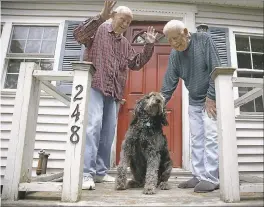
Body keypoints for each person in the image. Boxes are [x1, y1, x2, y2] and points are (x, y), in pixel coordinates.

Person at [73, 1, 158, 190]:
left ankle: (100, 173)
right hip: (95, 85)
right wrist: (101, 16)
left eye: (128, 22)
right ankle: (86, 173)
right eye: (122, 20)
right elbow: (78, 35)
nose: (125, 24)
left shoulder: (125, 43)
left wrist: (149, 46)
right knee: (93, 126)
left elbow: (136, 63)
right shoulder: (99, 29)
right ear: (113, 17)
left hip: (114, 91)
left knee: (108, 132)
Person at [161, 20, 221, 193]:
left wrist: (211, 96)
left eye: (175, 38)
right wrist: (159, 105)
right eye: (169, 40)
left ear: (185, 32)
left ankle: (211, 178)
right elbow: (168, 84)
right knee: (196, 139)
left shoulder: (204, 40)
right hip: (194, 100)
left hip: (211, 98)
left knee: (210, 137)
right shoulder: (175, 55)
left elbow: (216, 69)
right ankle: (198, 175)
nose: (173, 43)